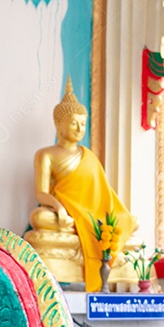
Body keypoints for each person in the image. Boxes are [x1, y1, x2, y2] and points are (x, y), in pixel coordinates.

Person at [27, 79, 138, 290]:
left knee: (130, 221)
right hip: (67, 213)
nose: (79, 128)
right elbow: (41, 192)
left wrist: (116, 214)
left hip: (93, 213)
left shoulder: (89, 156)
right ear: (59, 124)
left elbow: (103, 192)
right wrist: (59, 208)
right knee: (39, 218)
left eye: (83, 123)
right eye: (73, 123)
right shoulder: (46, 155)